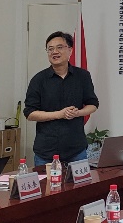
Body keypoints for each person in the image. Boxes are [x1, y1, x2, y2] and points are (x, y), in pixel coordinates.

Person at [23, 31, 99, 166]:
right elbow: (30, 113)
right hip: (46, 152)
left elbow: (93, 104)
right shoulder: (38, 80)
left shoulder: (83, 76)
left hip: (76, 150)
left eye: (59, 47)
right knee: (47, 181)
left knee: (80, 181)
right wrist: (60, 114)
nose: (54, 52)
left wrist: (78, 113)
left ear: (70, 50)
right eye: (50, 49)